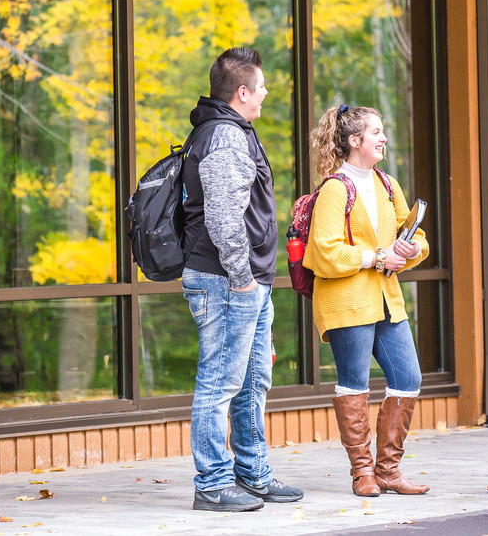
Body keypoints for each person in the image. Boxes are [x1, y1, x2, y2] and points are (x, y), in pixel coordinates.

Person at [180, 47, 303, 512]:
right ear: (243, 91)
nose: (267, 93)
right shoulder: (226, 137)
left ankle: (251, 474)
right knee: (219, 381)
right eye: (263, 85)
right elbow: (223, 217)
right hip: (227, 281)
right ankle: (213, 483)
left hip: (242, 281)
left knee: (252, 381)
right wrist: (243, 279)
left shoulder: (226, 132)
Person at [303, 104, 431, 497]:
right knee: (354, 384)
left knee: (408, 379)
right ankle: (363, 473)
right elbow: (323, 252)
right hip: (346, 302)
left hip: (386, 300)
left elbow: (416, 236)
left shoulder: (388, 184)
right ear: (355, 141)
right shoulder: (335, 188)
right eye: (376, 132)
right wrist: (377, 257)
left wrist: (410, 251)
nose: (384, 138)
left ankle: (388, 471)